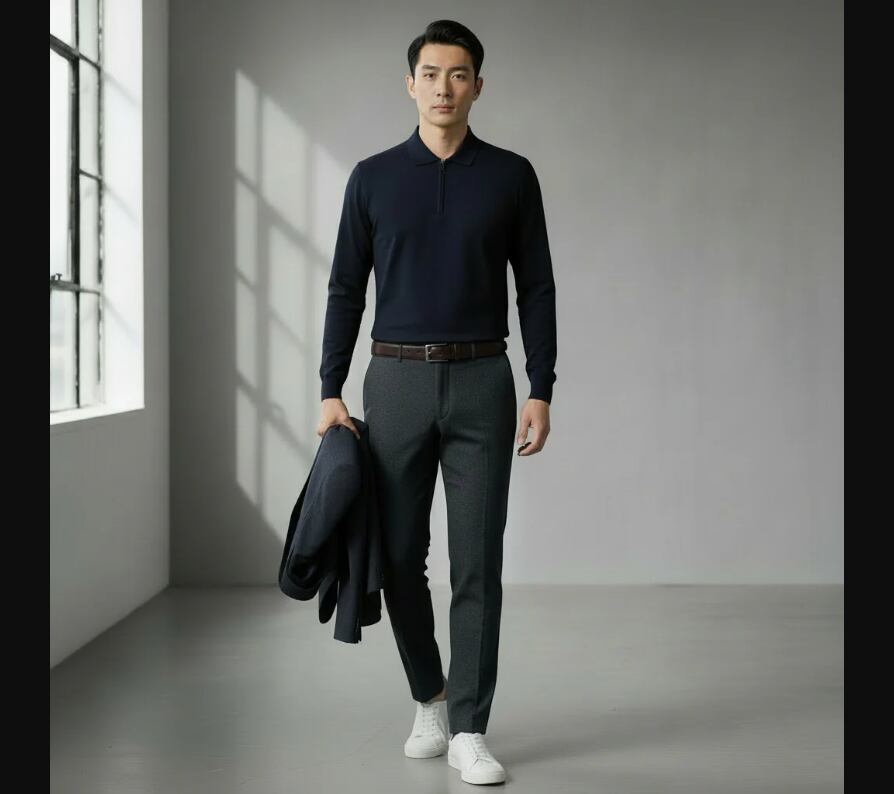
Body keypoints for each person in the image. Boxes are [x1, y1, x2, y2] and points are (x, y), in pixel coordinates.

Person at [316, 19, 557, 786]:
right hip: (395, 381)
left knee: (477, 561)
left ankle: (471, 729)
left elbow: (537, 287)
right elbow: (345, 288)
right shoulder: (373, 178)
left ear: (477, 86)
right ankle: (431, 698)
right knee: (395, 556)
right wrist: (329, 388)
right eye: (430, 73)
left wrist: (542, 385)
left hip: (485, 381)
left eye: (458, 74)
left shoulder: (511, 177)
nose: (443, 87)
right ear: (410, 84)